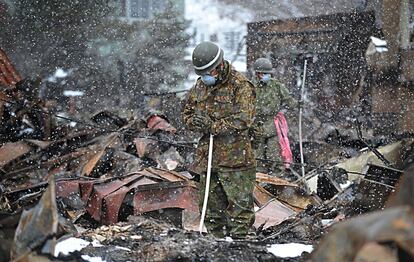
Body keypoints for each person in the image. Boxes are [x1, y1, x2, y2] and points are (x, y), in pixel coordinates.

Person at [182, 41, 256, 238]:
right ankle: (217, 246)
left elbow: (243, 119)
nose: (205, 77)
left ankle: (239, 248)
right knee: (211, 210)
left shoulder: (240, 86)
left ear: (219, 65)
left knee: (240, 210)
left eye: (208, 72)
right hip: (208, 159)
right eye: (202, 73)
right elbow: (187, 113)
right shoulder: (200, 86)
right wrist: (195, 122)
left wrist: (213, 126)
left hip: (235, 159)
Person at [252, 58, 297, 175]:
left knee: (275, 155)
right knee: (258, 157)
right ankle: (259, 179)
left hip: (273, 126)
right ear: (257, 73)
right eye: (263, 73)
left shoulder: (276, 86)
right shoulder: (250, 87)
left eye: (268, 73)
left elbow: (289, 100)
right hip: (256, 126)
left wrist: (296, 104)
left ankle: (277, 179)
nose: (266, 76)